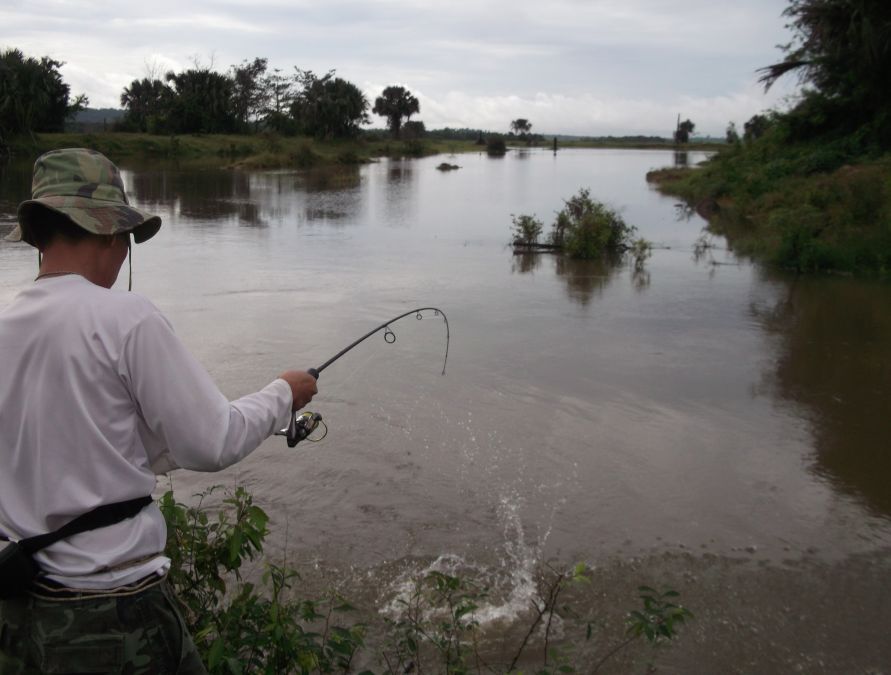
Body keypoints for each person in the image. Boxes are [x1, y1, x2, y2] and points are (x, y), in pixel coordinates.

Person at [0, 148, 318, 673]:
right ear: (107, 231)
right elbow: (213, 442)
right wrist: (284, 393)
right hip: (111, 612)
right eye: (125, 237)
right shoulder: (126, 318)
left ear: (39, 236)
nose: (125, 252)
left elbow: (81, 445)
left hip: (19, 611)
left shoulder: (7, 329)